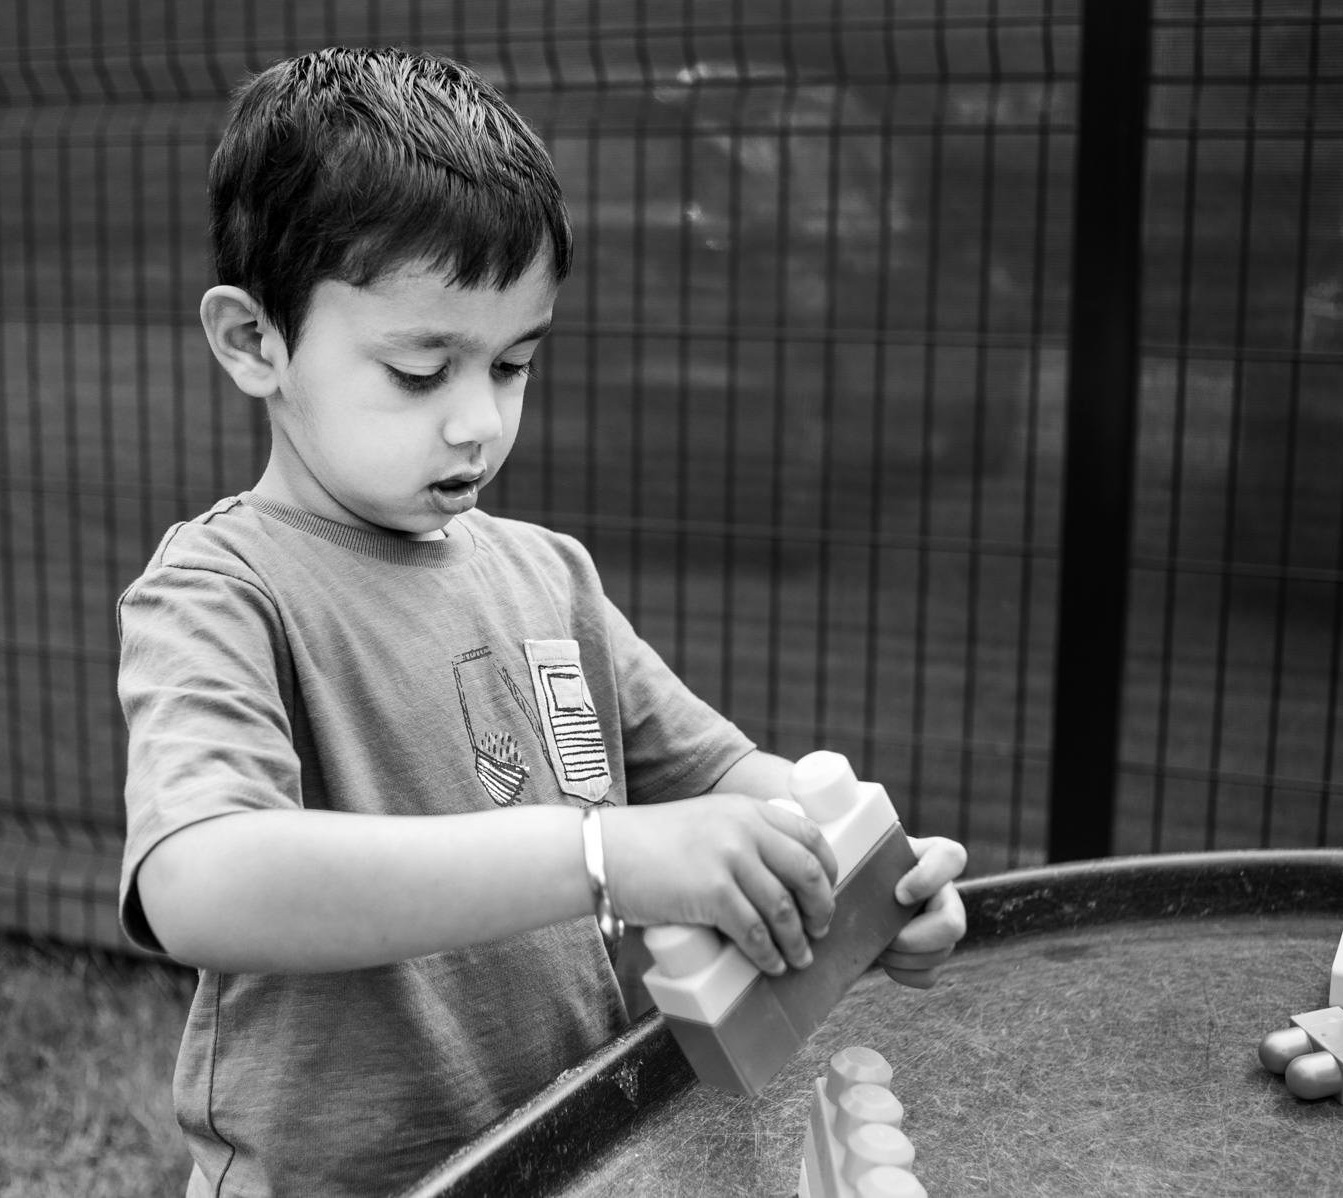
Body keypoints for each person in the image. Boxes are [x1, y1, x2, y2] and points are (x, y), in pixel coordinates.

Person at [116, 45, 969, 1198]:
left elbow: (725, 779)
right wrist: (599, 853)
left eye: (514, 363)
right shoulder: (224, 588)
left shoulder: (548, 577)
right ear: (252, 341)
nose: (478, 422)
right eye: (423, 372)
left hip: (582, 1162)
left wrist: (867, 876)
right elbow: (202, 882)